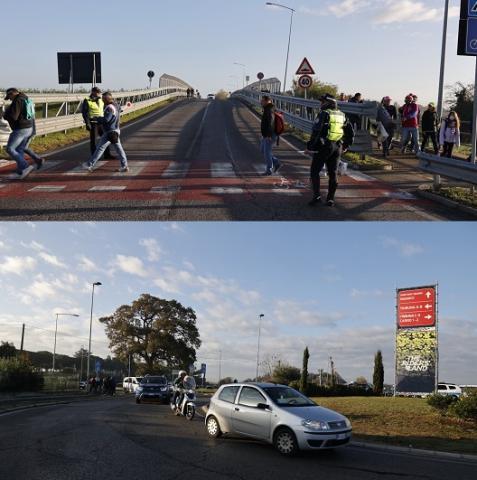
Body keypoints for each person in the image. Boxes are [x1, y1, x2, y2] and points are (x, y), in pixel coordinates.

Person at [306, 93, 354, 207]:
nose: (320, 104)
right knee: (333, 173)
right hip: (337, 146)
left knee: (314, 171)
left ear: (328, 103)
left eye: (322, 102)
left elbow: (317, 132)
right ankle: (330, 199)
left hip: (324, 147)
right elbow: (350, 132)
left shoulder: (324, 114)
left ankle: (317, 196)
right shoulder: (342, 115)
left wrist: (310, 146)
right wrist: (346, 145)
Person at [83, 92, 129, 173]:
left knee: (101, 149)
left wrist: (96, 119)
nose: (102, 100)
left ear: (107, 99)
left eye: (103, 99)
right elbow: (121, 109)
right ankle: (124, 166)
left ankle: (90, 164)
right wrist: (127, 106)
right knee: (116, 149)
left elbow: (106, 119)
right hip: (115, 130)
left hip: (110, 132)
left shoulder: (109, 108)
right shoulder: (116, 105)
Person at [2, 88, 43, 179]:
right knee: (19, 149)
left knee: (10, 149)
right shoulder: (25, 99)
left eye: (10, 97)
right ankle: (21, 171)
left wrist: (5, 114)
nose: (10, 99)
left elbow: (14, 116)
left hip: (20, 129)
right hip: (28, 128)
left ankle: (25, 167)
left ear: (12, 94)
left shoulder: (17, 101)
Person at [81, 87, 113, 159]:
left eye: (99, 92)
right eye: (97, 92)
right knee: (94, 141)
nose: (99, 93)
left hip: (101, 123)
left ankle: (107, 155)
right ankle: (94, 157)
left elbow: (107, 108)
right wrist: (87, 123)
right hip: (93, 123)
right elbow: (84, 113)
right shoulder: (87, 100)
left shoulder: (101, 99)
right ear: (93, 92)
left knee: (106, 138)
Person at [260, 95, 281, 175]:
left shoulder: (269, 110)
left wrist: (268, 135)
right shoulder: (267, 109)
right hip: (266, 134)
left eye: (262, 100)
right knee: (263, 150)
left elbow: (271, 123)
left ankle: (269, 169)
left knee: (267, 152)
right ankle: (276, 162)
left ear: (267, 101)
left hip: (269, 135)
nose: (261, 102)